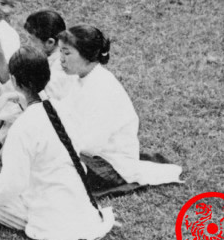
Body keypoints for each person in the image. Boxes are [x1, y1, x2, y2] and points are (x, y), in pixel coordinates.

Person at [0, 47, 116, 240]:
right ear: (46, 77)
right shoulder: (62, 108)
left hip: (49, 214)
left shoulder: (23, 127)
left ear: (14, 81)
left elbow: (10, 187)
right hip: (77, 202)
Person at [55, 25, 183, 189]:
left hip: (108, 163)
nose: (61, 59)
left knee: (53, 166)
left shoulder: (102, 86)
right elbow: (64, 113)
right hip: (86, 151)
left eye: (67, 53)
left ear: (86, 55)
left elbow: (90, 145)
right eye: (60, 52)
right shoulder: (80, 78)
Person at [23, 10, 78, 101]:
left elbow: (47, 105)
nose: (27, 44)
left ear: (50, 42)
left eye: (32, 40)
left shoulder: (55, 72)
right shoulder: (67, 56)